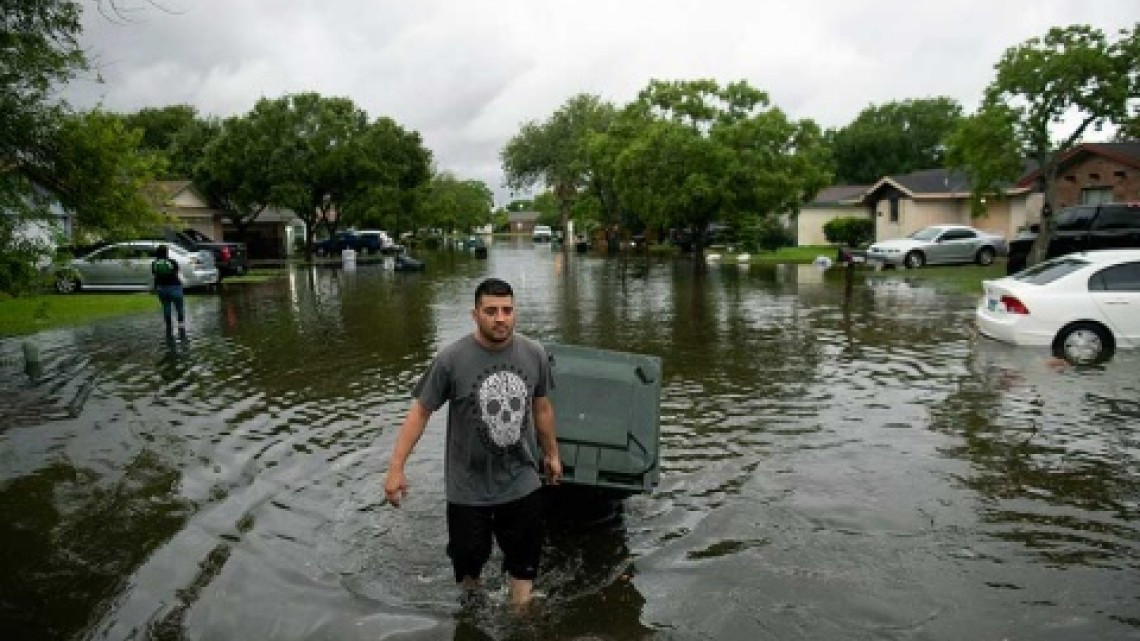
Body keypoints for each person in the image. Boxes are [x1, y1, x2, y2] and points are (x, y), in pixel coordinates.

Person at [384, 277, 562, 608]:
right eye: (491, 311)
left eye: (507, 310)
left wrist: (552, 454)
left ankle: (520, 616)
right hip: (468, 485)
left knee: (524, 566)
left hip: (521, 478)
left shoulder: (534, 354)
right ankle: (473, 610)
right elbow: (420, 412)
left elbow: (541, 407)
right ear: (475, 314)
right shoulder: (451, 360)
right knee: (469, 567)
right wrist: (396, 468)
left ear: (515, 312)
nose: (500, 318)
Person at [151, 245, 185, 333]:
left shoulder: (155, 263)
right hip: (175, 287)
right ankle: (181, 326)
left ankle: (169, 327)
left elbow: (155, 275)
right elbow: (177, 272)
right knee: (179, 308)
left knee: (166, 307)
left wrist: (155, 288)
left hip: (162, 289)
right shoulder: (172, 262)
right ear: (166, 252)